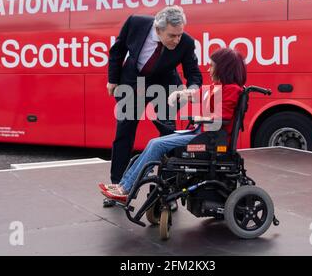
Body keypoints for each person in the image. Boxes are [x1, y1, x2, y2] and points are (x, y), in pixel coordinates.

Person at [99, 48, 247, 202]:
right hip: (204, 135)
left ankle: (126, 188)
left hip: (210, 141)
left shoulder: (231, 90)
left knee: (157, 145)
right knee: (154, 143)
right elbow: (199, 93)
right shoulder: (220, 87)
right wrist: (181, 93)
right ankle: (124, 185)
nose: (208, 69)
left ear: (223, 68)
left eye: (212, 66)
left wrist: (198, 117)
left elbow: (221, 118)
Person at [107, 6, 202, 187]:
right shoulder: (135, 23)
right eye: (172, 36)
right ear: (158, 30)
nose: (177, 40)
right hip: (133, 83)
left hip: (165, 86)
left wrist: (191, 89)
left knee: (169, 135)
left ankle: (167, 187)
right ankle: (117, 183)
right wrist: (112, 80)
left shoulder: (186, 43)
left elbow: (194, 73)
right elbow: (117, 51)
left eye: (179, 34)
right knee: (124, 133)